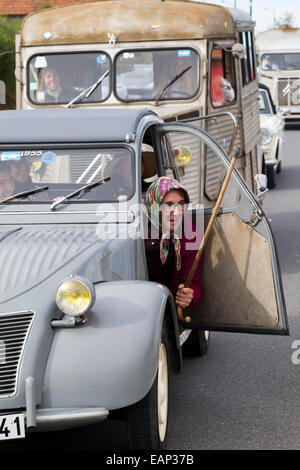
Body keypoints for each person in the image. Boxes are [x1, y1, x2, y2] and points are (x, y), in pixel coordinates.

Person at [144, 176, 202, 310]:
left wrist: (190, 296)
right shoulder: (135, 228)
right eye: (168, 205)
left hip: (165, 310)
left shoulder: (191, 235)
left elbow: (194, 282)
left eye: (181, 204)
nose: (176, 213)